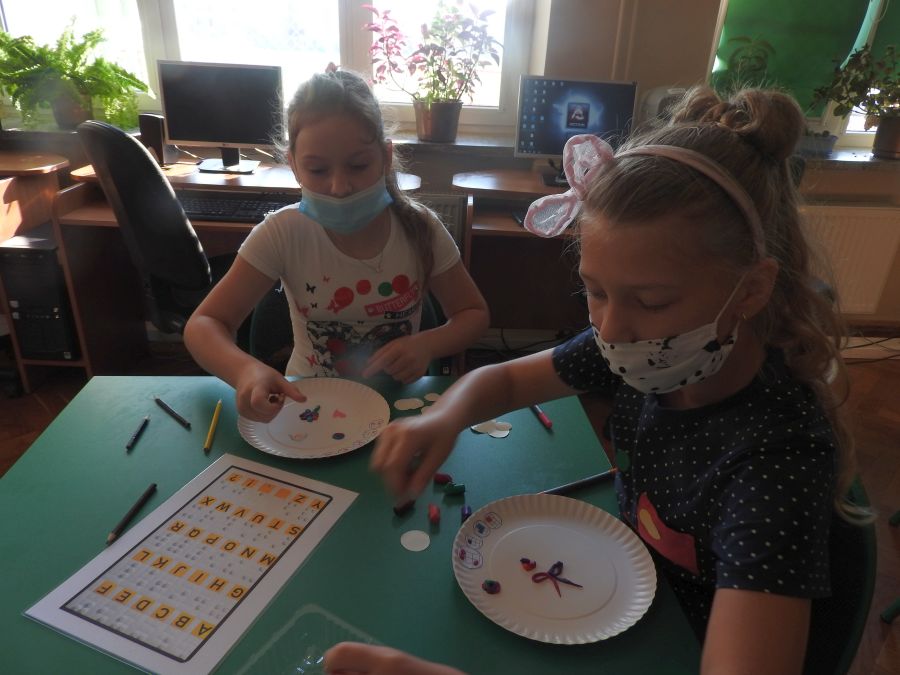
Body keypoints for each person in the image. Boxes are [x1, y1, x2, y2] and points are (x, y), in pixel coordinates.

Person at [329, 87, 870, 674]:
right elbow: (503, 384)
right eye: (595, 290)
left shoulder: (775, 461)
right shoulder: (645, 348)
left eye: (652, 301)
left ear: (752, 290)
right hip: (638, 598)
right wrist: (445, 416)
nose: (611, 329)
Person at [184, 68, 489, 422]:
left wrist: (427, 344)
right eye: (317, 170)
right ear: (293, 166)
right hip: (310, 404)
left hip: (399, 405)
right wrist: (245, 372)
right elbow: (205, 323)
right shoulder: (282, 233)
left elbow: (473, 314)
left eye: (358, 166)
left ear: (385, 157)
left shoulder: (421, 228)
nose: (339, 187)